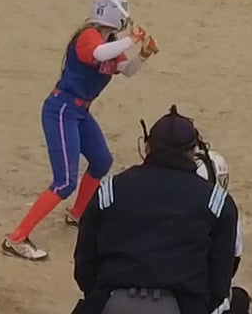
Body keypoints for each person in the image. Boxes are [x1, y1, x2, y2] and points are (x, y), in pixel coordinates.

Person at [4, 0, 157, 262]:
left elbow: (126, 70)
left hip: (79, 111)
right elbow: (99, 54)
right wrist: (132, 39)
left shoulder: (111, 42)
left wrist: (143, 54)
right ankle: (16, 238)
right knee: (64, 182)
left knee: (101, 161)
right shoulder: (89, 37)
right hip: (62, 110)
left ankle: (77, 214)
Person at [69, 106, 242, 314]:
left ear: (147, 146)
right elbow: (220, 280)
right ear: (193, 152)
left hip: (110, 303)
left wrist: (102, 297)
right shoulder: (217, 202)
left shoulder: (111, 190)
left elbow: (85, 265)